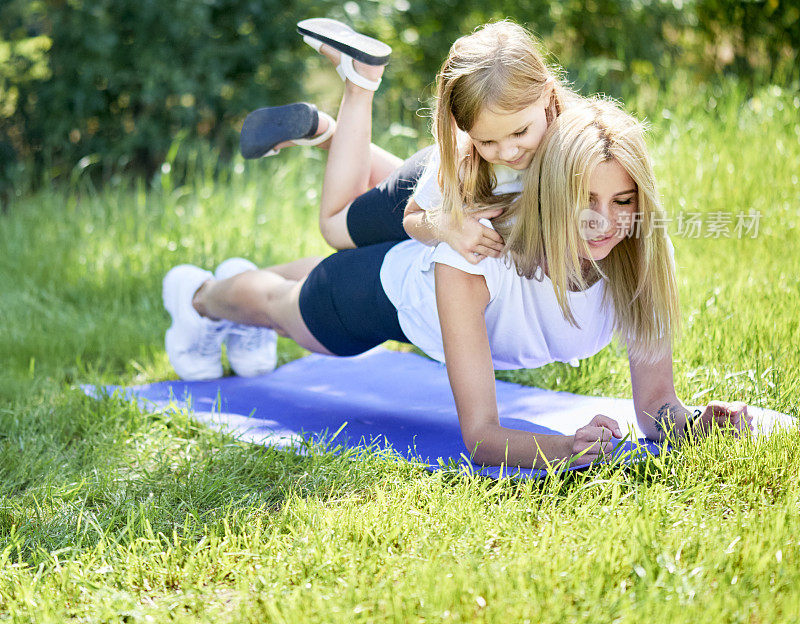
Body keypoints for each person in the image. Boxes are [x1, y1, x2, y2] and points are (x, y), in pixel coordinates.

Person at [163, 98, 752, 469]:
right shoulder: (476, 259)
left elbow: (654, 408)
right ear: (550, 193)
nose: (605, 222)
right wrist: (564, 449)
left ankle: (333, 137)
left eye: (623, 201)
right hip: (385, 287)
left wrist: (696, 424)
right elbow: (482, 437)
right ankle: (199, 298)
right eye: (584, 202)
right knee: (287, 305)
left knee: (402, 207)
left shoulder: (639, 250)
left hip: (442, 188)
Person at [241, 19, 580, 266]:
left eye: (520, 133)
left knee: (420, 184)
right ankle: (360, 83)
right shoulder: (466, 155)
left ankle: (329, 133)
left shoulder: (581, 137)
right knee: (334, 227)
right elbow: (415, 215)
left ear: (548, 95)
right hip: (447, 176)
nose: (508, 152)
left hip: (450, 178)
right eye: (488, 140)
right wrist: (443, 225)